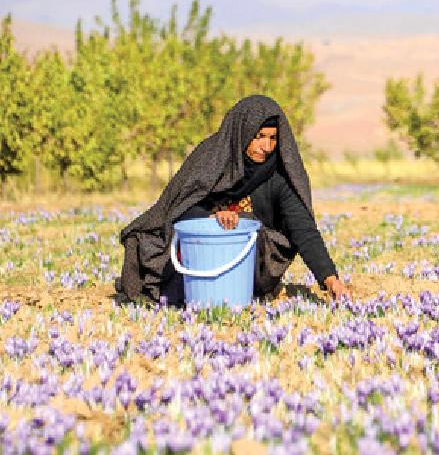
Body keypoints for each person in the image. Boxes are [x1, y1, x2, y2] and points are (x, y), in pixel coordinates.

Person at [116, 94, 349, 306]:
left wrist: (330, 279)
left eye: (272, 138)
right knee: (144, 241)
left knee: (249, 229)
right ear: (242, 131)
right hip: (197, 247)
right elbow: (179, 207)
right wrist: (211, 218)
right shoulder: (211, 159)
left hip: (249, 257)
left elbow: (303, 229)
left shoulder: (277, 175)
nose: (266, 147)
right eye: (258, 137)